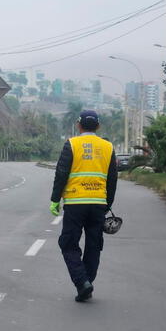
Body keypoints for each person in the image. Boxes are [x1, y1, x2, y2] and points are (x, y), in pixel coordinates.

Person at [49, 110, 117, 302]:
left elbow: (61, 173)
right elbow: (112, 179)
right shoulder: (108, 147)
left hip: (75, 203)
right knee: (94, 244)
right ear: (98, 126)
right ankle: (86, 281)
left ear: (79, 125)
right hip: (98, 204)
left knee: (68, 243)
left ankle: (82, 282)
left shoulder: (72, 144)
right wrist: (107, 203)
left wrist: (55, 199)